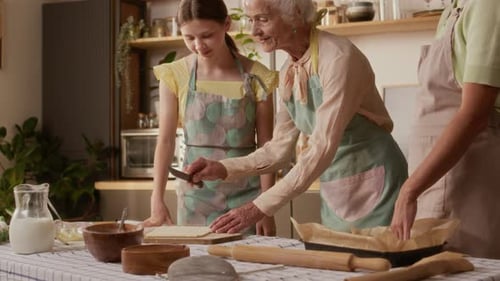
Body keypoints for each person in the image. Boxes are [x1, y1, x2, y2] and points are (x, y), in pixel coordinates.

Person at [186, 0, 408, 234]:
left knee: (377, 264)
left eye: (263, 19)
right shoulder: (288, 71)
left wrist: (259, 207)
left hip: (377, 177)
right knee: (339, 264)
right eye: (251, 20)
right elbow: (278, 151)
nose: (254, 31)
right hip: (335, 180)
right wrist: (222, 168)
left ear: (296, 14)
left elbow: (322, 146)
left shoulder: (338, 58)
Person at [143, 0, 278, 236]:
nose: (198, 45)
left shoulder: (257, 76)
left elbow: (268, 148)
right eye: (189, 38)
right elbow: (165, 142)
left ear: (226, 24)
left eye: (206, 35)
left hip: (248, 200)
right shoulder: (175, 74)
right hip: (196, 197)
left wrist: (265, 208)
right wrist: (157, 198)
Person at [390, 0, 500, 259]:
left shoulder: (487, 6)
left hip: (464, 183)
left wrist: (409, 190)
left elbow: (474, 115)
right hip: (434, 181)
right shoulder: (454, 8)